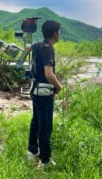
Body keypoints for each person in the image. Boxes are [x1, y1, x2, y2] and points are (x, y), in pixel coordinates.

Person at [27, 20, 62, 168]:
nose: (59, 34)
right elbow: (49, 73)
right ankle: (45, 161)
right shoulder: (48, 49)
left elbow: (28, 51)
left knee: (36, 121)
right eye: (59, 31)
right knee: (46, 127)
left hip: (35, 90)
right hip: (44, 93)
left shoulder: (37, 46)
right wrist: (59, 86)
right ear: (55, 33)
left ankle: (32, 151)